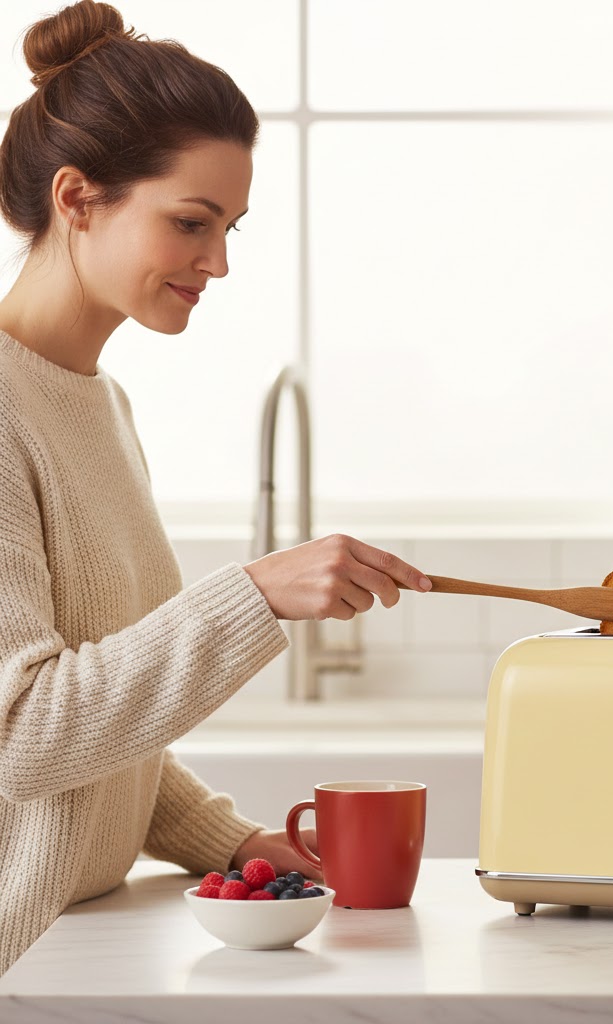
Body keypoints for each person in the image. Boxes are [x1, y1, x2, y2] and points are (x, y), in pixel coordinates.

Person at [0, 0, 432, 977]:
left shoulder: (97, 403)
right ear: (77, 198)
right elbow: (22, 736)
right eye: (192, 223)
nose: (220, 262)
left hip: (80, 943)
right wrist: (255, 594)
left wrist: (226, 840)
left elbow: (102, 730)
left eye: (230, 227)